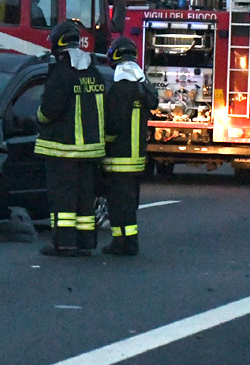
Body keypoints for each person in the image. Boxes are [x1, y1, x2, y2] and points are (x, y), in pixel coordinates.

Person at [35, 20, 106, 257]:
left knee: (63, 200)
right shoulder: (93, 73)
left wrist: (39, 117)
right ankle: (85, 243)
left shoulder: (61, 74)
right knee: (85, 199)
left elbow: (49, 111)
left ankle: (63, 244)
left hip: (63, 150)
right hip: (90, 152)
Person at [101, 36, 158, 256]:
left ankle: (121, 243)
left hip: (119, 157)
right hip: (137, 158)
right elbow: (153, 102)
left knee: (117, 204)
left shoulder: (119, 90)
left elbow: (113, 125)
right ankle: (129, 241)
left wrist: (103, 145)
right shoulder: (142, 89)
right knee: (130, 203)